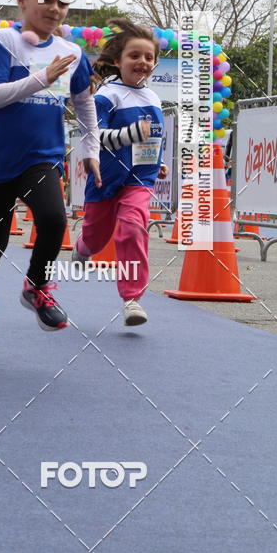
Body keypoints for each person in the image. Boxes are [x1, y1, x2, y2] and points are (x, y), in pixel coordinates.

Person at [0, 0, 101, 357]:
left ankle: (37, 286)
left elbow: (84, 104)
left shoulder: (72, 52)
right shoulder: (3, 41)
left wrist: (91, 150)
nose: (55, 8)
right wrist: (43, 78)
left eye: (63, 1)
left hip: (42, 156)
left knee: (54, 220)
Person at [72, 18, 168, 326]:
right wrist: (129, 136)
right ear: (118, 61)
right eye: (134, 55)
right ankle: (83, 247)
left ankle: (132, 298)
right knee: (97, 238)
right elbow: (93, 134)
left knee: (132, 227)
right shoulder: (106, 95)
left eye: (149, 57)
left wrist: (156, 162)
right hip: (105, 177)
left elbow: (150, 138)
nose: (143, 62)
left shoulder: (153, 98)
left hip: (139, 179)